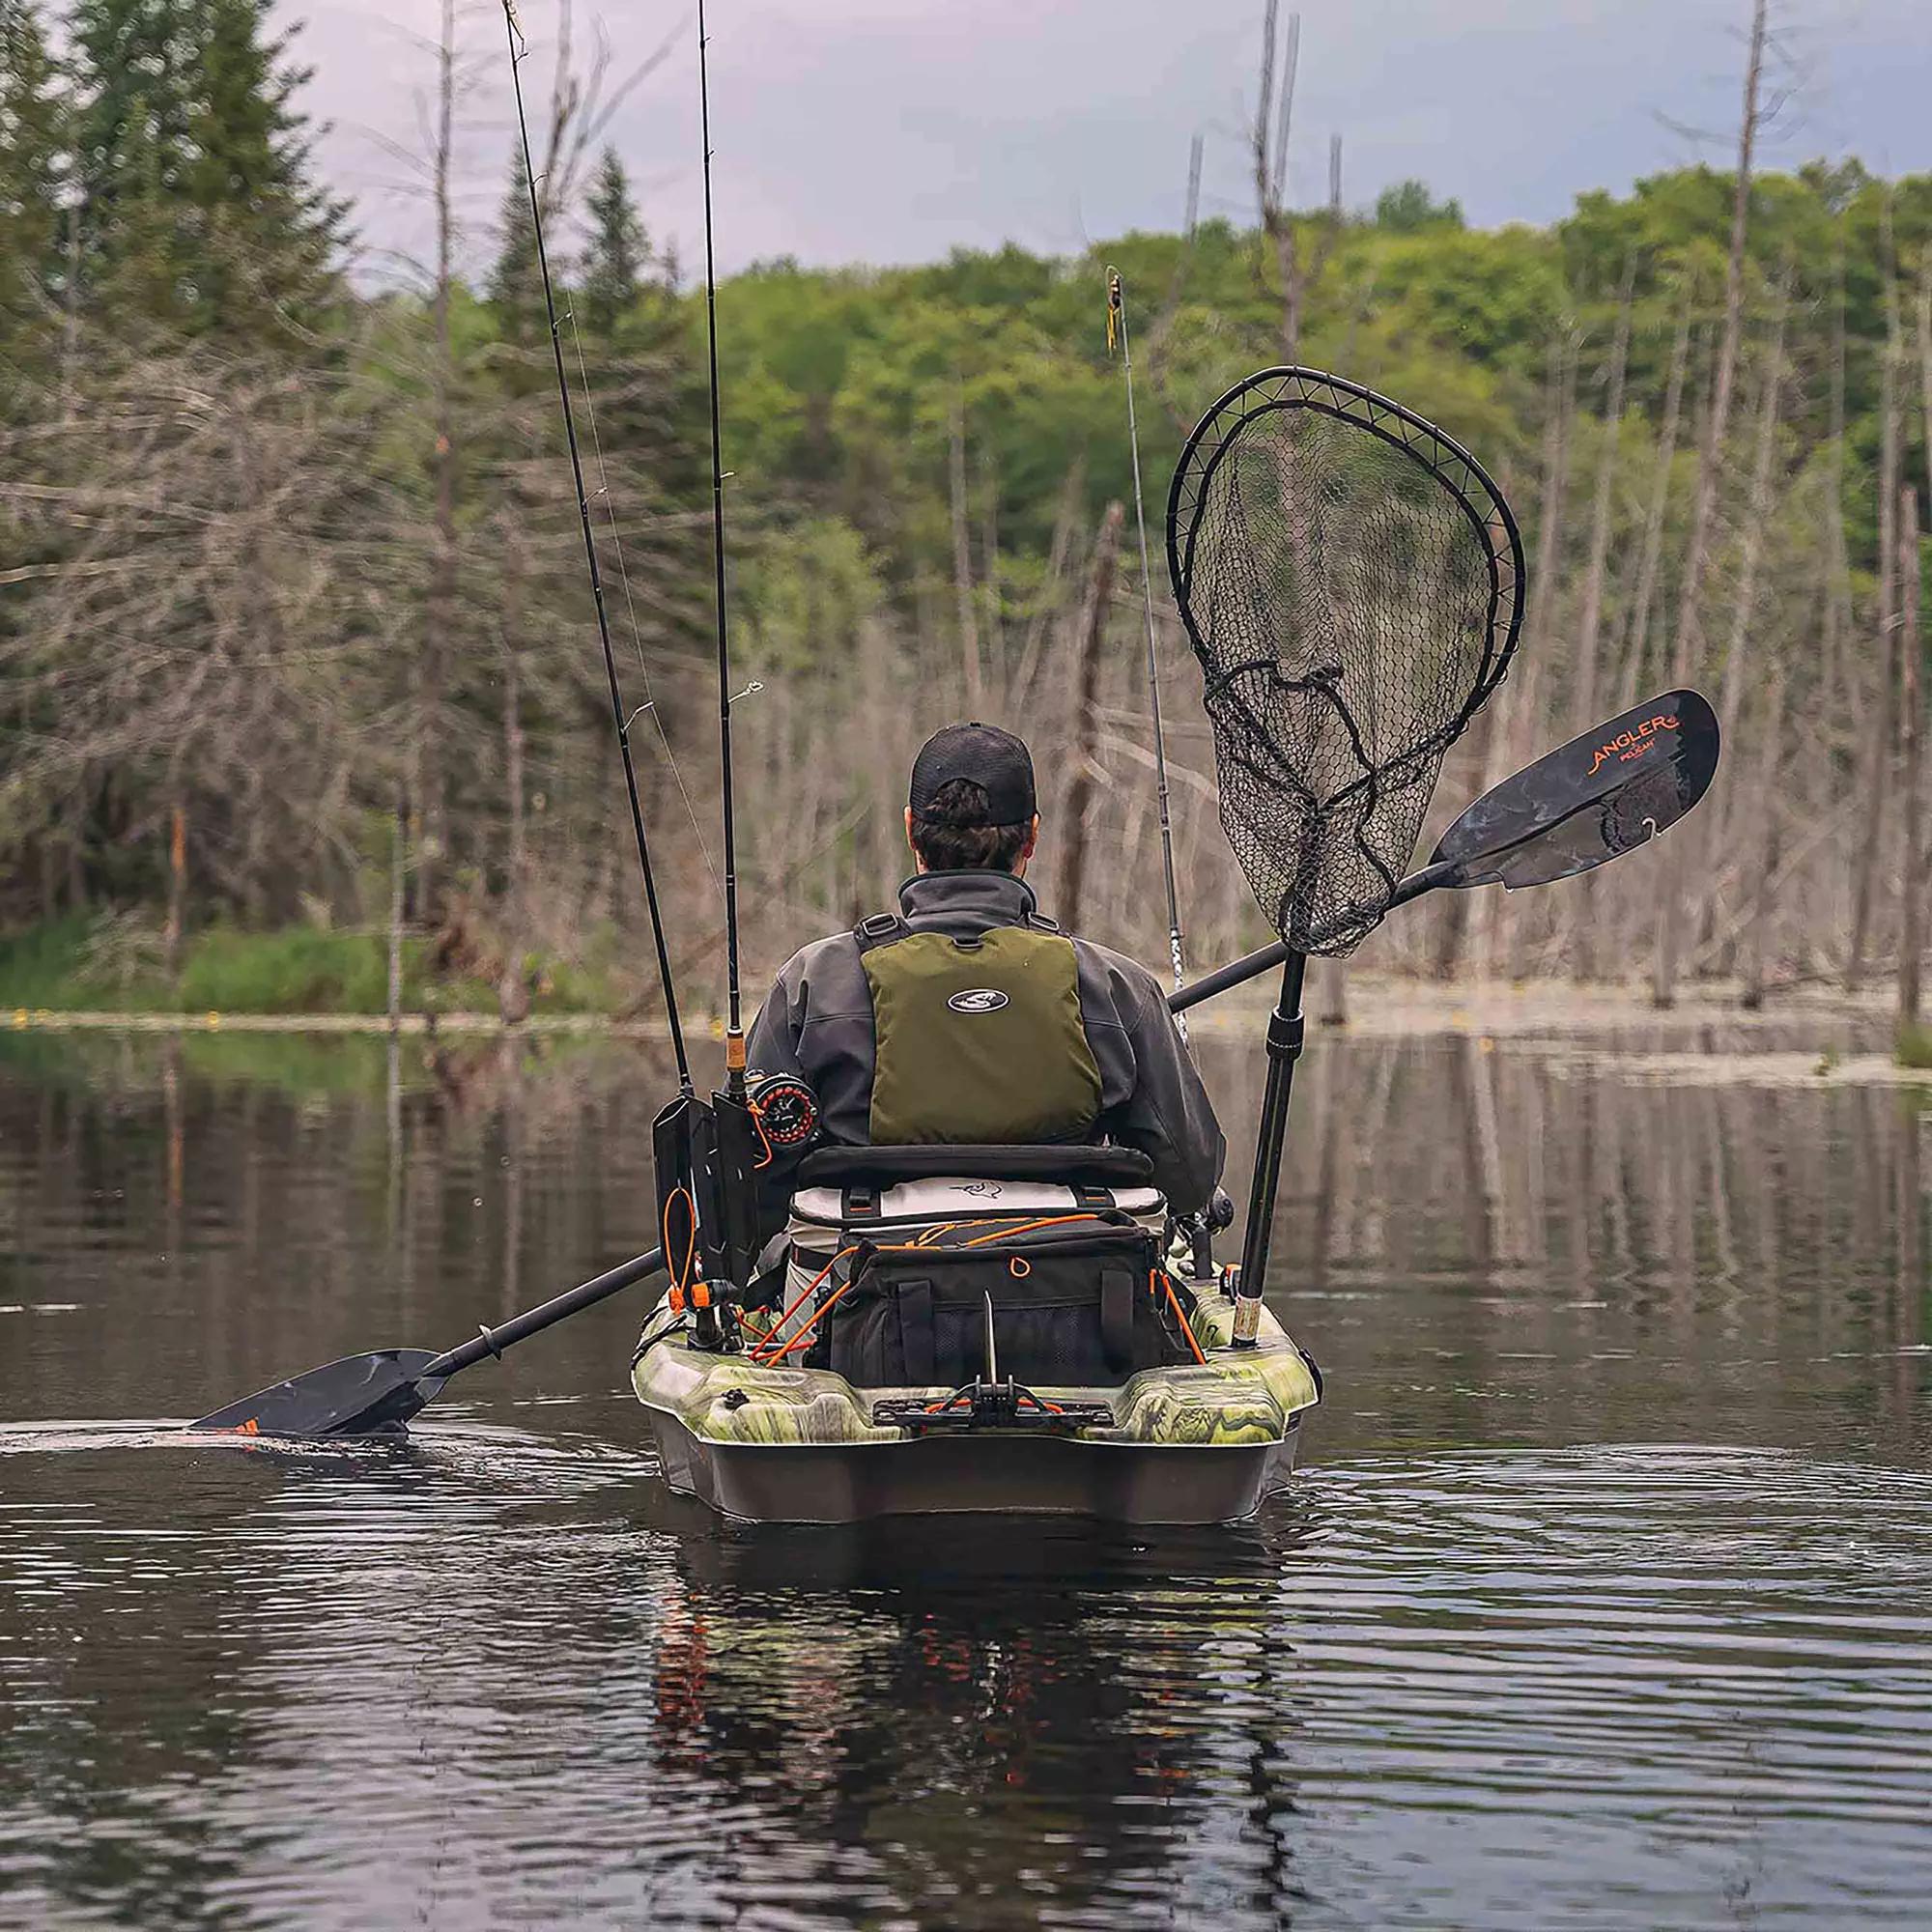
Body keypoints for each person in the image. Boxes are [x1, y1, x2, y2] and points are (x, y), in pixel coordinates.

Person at [746, 722, 1225, 1213]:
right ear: (1032, 836)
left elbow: (748, 1179)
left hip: (859, 1279)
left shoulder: (812, 981)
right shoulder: (1116, 986)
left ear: (911, 828)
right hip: (1074, 1280)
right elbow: (1189, 1178)